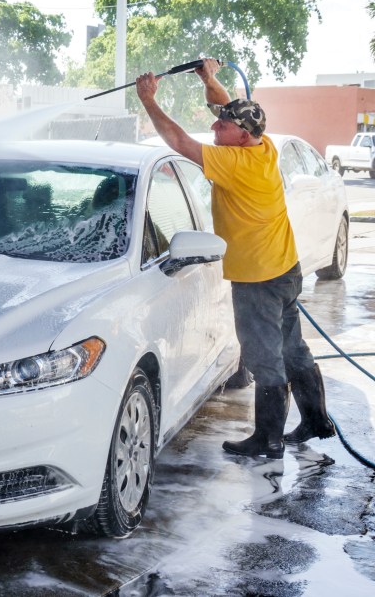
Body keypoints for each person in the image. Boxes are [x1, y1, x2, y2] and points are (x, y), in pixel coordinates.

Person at [135, 58, 335, 460]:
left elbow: (179, 142)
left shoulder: (233, 163)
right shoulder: (262, 147)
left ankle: (268, 439)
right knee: (292, 349)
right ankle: (316, 420)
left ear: (242, 136)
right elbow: (223, 106)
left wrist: (149, 101)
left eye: (222, 126)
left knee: (264, 358)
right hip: (284, 269)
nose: (213, 127)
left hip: (259, 279)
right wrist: (211, 80)